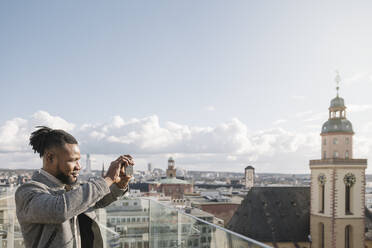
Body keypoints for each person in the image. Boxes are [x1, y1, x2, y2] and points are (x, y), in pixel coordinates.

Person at [15, 126, 134, 248]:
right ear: (50, 158)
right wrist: (108, 179)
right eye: (73, 160)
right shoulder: (27, 192)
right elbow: (60, 210)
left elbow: (96, 200)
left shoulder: (70, 187)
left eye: (79, 160)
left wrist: (121, 183)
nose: (79, 166)